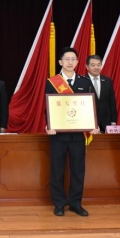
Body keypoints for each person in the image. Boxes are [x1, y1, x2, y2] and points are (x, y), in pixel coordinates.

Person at [45, 47, 99, 217]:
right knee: (57, 170)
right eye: (66, 59)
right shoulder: (52, 82)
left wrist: (94, 124)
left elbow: (91, 106)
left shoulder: (85, 82)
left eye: (73, 59)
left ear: (77, 62)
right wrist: (49, 125)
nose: (70, 62)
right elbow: (47, 107)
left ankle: (76, 203)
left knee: (78, 170)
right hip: (58, 134)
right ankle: (59, 204)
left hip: (78, 135)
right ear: (60, 62)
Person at [86, 54, 117, 132]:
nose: (96, 67)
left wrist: (113, 121)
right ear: (87, 67)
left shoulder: (107, 81)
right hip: (89, 123)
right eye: (93, 65)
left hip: (106, 122)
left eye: (98, 65)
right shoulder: (82, 81)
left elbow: (112, 102)